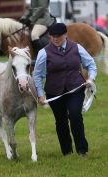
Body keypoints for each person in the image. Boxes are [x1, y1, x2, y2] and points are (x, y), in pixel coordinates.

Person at [33, 23, 97, 156]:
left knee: (75, 116)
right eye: (53, 36)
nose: (55, 39)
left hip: (76, 88)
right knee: (61, 121)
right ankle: (67, 151)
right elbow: (37, 75)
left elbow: (90, 64)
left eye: (58, 36)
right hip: (54, 91)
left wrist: (91, 78)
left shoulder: (77, 48)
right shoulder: (43, 52)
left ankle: (82, 150)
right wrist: (40, 94)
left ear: (65, 35)